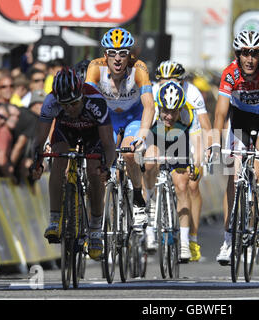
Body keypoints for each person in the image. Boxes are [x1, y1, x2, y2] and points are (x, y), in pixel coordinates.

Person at [208, 30, 259, 265]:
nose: (250, 59)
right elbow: (221, 112)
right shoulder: (230, 74)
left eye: (255, 53)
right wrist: (214, 143)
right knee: (233, 176)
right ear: (237, 54)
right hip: (240, 120)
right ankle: (229, 239)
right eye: (245, 53)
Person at [30, 67, 116, 260]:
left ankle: (94, 229)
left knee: (95, 173)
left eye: (74, 103)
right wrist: (37, 161)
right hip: (65, 132)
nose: (70, 109)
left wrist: (106, 167)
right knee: (58, 160)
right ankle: (54, 220)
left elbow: (109, 144)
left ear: (81, 95)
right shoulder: (50, 101)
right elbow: (39, 139)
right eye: (64, 105)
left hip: (93, 134)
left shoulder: (96, 102)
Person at [85, 27, 156, 229]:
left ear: (129, 55)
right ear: (105, 54)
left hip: (134, 116)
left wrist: (142, 136)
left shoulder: (139, 68)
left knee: (129, 153)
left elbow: (149, 105)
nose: (117, 59)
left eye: (123, 53)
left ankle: (138, 199)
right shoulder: (94, 67)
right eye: (112, 53)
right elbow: (87, 102)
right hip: (108, 118)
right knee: (101, 162)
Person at [152, 60, 213, 261]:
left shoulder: (192, 94)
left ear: (182, 81)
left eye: (172, 80)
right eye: (163, 80)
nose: (167, 84)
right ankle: (151, 208)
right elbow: (146, 128)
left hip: (184, 135)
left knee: (190, 184)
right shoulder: (154, 92)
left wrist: (201, 159)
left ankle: (190, 240)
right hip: (160, 133)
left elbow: (203, 127)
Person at [143, 81, 202, 261]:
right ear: (159, 107)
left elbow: (198, 143)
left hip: (179, 141)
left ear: (180, 109)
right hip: (156, 137)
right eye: (165, 111)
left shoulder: (189, 114)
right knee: (150, 162)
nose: (168, 116)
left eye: (173, 111)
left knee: (182, 185)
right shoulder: (152, 114)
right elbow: (143, 139)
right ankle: (150, 216)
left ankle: (184, 242)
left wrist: (197, 165)